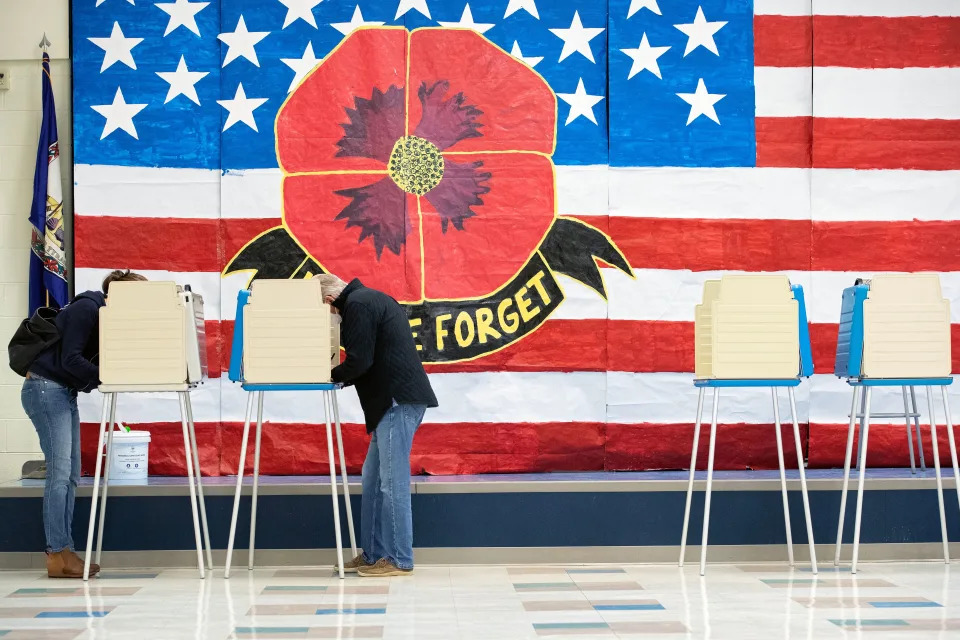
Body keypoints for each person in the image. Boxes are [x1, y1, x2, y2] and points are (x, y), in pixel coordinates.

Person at [22, 269, 147, 578]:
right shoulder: (87, 308)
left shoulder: (102, 315)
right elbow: (71, 360)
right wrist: (105, 377)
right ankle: (56, 554)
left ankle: (65, 551)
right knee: (60, 474)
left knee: (71, 474)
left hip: (60, 391)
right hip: (46, 388)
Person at [317, 274, 438, 577]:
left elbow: (360, 361)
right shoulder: (368, 299)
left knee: (391, 482)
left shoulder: (357, 305)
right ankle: (373, 554)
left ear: (329, 301)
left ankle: (399, 559)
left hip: (396, 401)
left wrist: (326, 375)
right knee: (372, 481)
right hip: (390, 404)